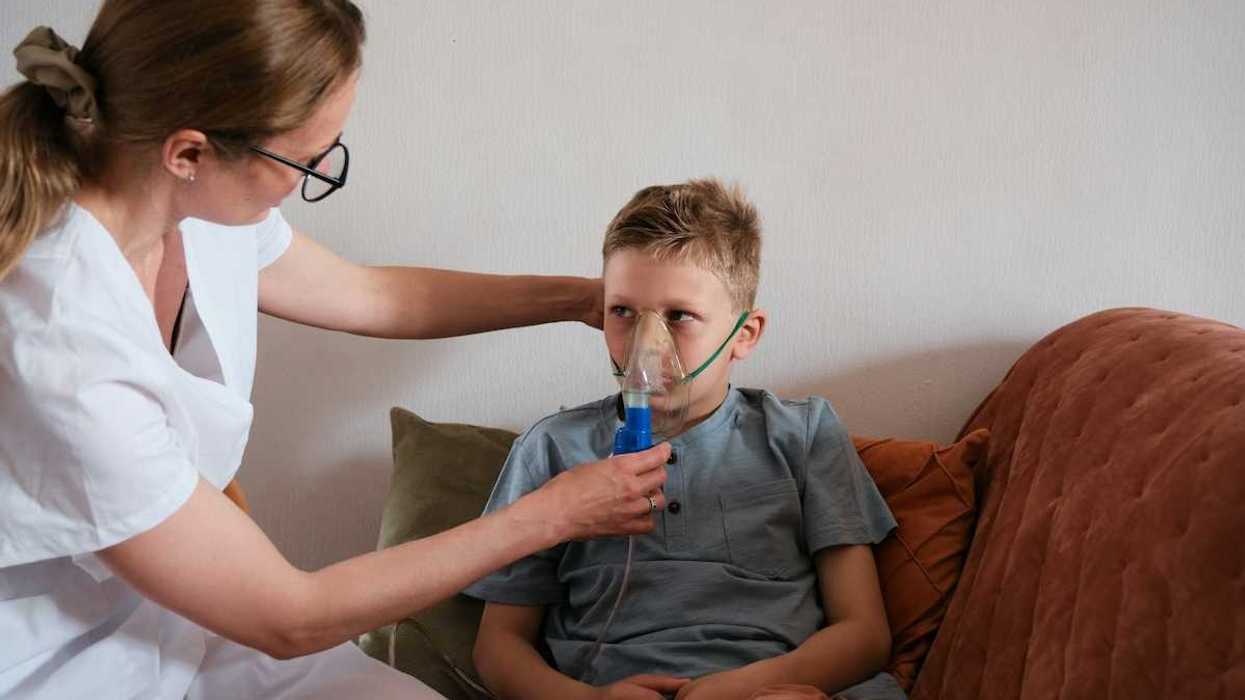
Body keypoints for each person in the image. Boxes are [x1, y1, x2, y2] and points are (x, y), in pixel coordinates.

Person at [0, 2, 672, 698]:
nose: (313, 171)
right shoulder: (62, 342)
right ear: (190, 152)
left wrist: (582, 300)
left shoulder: (195, 209)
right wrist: (552, 515)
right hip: (56, 661)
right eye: (303, 159)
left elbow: (375, 297)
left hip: (182, 631)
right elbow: (290, 617)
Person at [466, 179, 905, 700]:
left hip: (775, 685)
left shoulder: (803, 434)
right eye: (624, 312)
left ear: (745, 334)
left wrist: (742, 689)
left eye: (679, 316)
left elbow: (864, 633)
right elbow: (498, 646)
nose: (647, 347)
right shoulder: (554, 449)